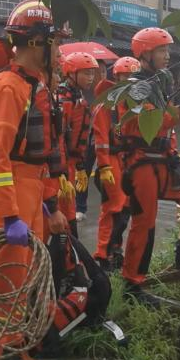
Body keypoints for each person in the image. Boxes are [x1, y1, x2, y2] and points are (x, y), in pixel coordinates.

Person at [0, 0, 76, 360]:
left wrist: (50, 207)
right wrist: (10, 216)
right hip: (8, 201)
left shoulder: (36, 87)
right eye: (55, 43)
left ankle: (13, 353)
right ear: (35, 43)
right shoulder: (9, 89)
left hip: (29, 197)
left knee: (20, 283)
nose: (59, 51)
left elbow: (41, 159)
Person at [118, 27, 180, 302]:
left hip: (163, 163)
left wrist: (173, 154)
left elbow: (168, 127)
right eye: (162, 50)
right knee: (144, 225)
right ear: (146, 54)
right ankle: (132, 285)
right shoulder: (135, 89)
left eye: (167, 50)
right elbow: (159, 122)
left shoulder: (160, 84)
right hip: (142, 165)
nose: (167, 55)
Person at [91, 56, 141, 270]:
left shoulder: (129, 103)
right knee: (113, 209)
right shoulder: (107, 104)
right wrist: (104, 167)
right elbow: (101, 138)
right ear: (117, 76)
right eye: (126, 76)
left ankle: (115, 249)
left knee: (126, 208)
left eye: (134, 76)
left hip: (125, 159)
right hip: (111, 161)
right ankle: (103, 254)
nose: (130, 80)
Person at [55, 51, 99, 239]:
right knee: (64, 214)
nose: (91, 78)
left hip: (72, 162)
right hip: (62, 166)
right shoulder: (64, 99)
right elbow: (59, 137)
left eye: (92, 73)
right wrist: (63, 171)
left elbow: (79, 137)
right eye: (86, 73)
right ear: (72, 73)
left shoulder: (78, 97)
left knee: (69, 212)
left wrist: (81, 165)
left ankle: (69, 259)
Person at [75, 60, 108, 222]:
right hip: (87, 140)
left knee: (103, 174)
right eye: (97, 72)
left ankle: (110, 202)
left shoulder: (107, 91)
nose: (101, 75)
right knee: (84, 172)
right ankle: (80, 207)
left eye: (104, 71)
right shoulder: (83, 92)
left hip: (103, 140)